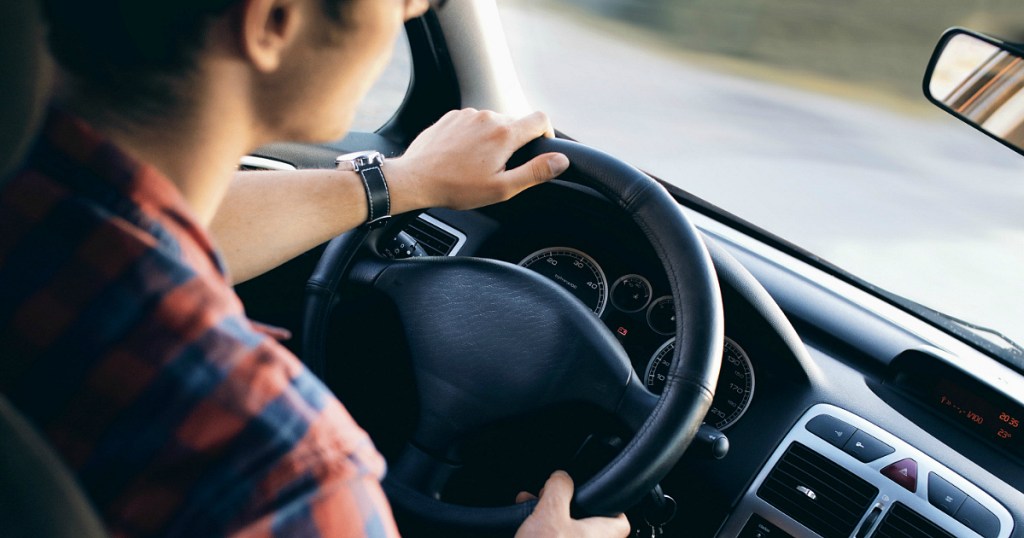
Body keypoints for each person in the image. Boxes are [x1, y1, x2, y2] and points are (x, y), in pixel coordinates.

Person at [0, 0, 631, 536]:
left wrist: (402, 182)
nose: (413, 7)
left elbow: (155, 224)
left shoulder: (35, 202)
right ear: (273, 19)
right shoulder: (279, 472)